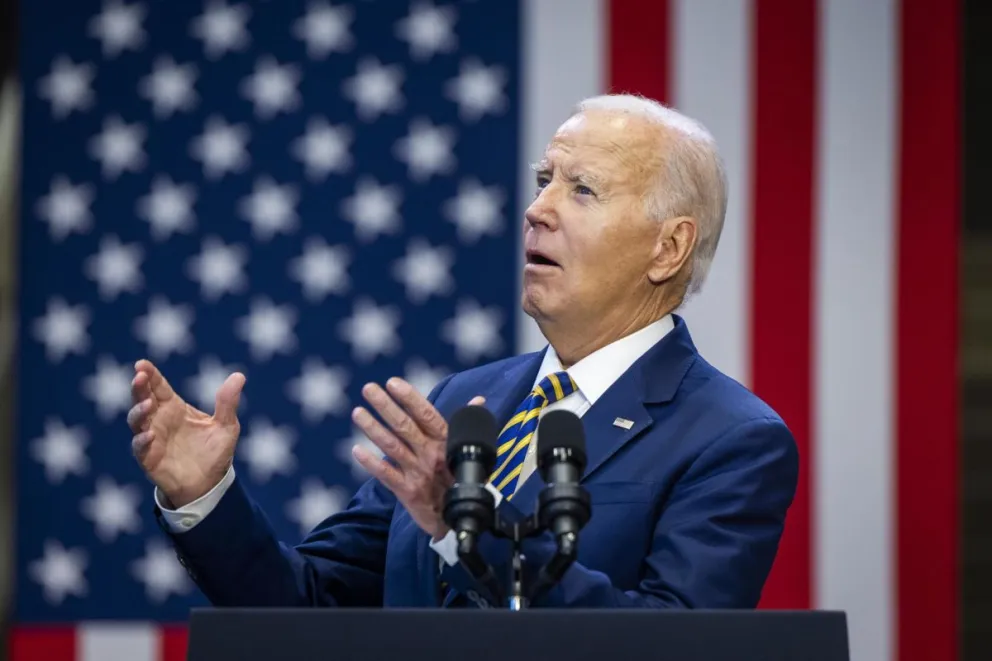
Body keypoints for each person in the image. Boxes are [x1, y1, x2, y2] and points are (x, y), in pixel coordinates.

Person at [127, 94, 798, 609]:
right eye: (545, 179)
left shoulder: (732, 441)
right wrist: (204, 494)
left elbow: (668, 644)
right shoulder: (465, 402)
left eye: (582, 189)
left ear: (668, 247)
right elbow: (309, 602)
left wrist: (468, 528)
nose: (538, 208)